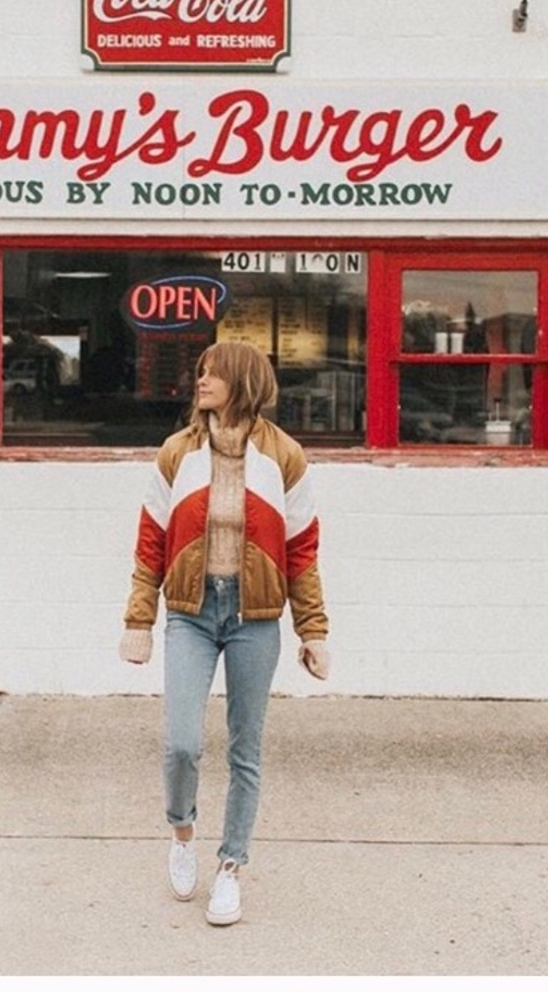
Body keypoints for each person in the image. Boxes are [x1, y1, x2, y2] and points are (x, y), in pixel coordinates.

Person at [118, 340, 331, 927]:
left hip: (255, 619)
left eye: (213, 373)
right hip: (190, 611)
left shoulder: (284, 457)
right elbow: (150, 543)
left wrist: (313, 630)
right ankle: (182, 832)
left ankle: (231, 868)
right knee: (181, 743)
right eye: (200, 373)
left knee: (245, 750)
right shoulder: (176, 454)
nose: (201, 381)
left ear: (243, 382)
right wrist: (139, 620)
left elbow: (302, 552)